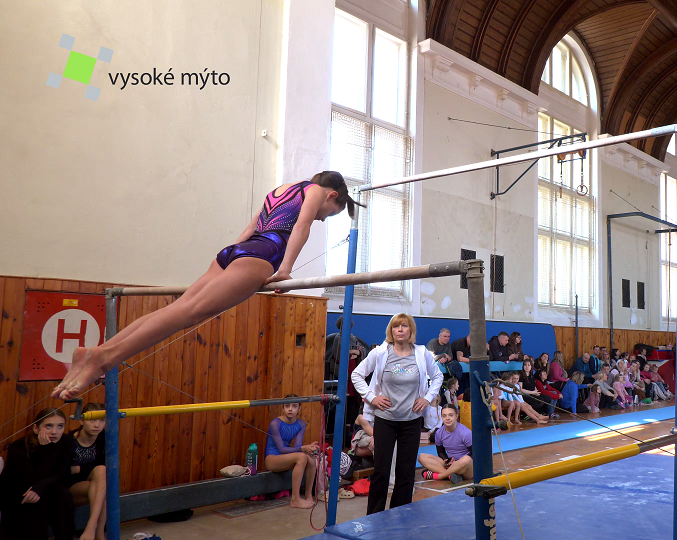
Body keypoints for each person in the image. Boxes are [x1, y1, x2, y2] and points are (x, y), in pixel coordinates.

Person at [53, 171, 359, 400]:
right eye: (329, 214)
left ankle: (98, 352)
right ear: (332, 195)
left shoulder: (280, 190)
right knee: (187, 314)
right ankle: (105, 359)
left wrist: (233, 256)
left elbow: (250, 228)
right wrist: (285, 270)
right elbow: (302, 226)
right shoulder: (315, 191)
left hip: (236, 252)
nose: (322, 219)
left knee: (178, 309)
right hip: (262, 255)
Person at [351, 313, 443, 515]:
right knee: (381, 472)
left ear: (411, 330)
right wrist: (371, 397)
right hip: (385, 421)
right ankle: (374, 516)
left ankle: (400, 515)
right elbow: (356, 374)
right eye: (396, 326)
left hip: (411, 421)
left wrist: (427, 398)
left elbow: (437, 376)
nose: (400, 330)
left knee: (406, 472)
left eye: (404, 326)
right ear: (391, 331)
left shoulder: (421, 353)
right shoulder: (380, 353)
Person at [0, 409, 74, 540]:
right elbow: (31, 479)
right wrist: (49, 450)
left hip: (43, 486)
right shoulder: (19, 446)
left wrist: (40, 488)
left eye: (60, 426)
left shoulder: (66, 442)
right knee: (38, 499)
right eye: (48, 426)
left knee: (61, 493)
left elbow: (60, 474)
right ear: (36, 428)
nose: (54, 432)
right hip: (17, 490)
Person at [264, 395, 319, 509]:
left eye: (294, 406)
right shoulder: (276, 423)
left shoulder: (301, 424)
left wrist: (309, 448)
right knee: (302, 457)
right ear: (282, 408)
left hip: (286, 457)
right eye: (287, 406)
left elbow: (298, 446)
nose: (290, 409)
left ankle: (308, 495)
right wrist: (303, 448)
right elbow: (281, 449)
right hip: (272, 458)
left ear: (299, 408)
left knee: (311, 459)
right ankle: (295, 499)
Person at [65, 403, 107, 540]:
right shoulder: (70, 440)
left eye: (102, 420)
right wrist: (83, 470)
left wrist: (79, 469)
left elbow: (105, 468)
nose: (97, 425)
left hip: (95, 485)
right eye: (92, 420)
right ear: (82, 420)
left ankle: (94, 530)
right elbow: (63, 472)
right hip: (71, 489)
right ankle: (95, 531)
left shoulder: (104, 438)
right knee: (101, 488)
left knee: (101, 473)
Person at [417, 405, 473, 484]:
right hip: (450, 464)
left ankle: (440, 476)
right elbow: (441, 452)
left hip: (465, 467)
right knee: (421, 457)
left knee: (466, 459)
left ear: (456, 416)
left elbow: (475, 455)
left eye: (451, 415)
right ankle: (450, 475)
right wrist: (446, 460)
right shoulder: (439, 433)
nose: (447, 418)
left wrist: (457, 463)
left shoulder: (465, 433)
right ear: (441, 417)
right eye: (444, 416)